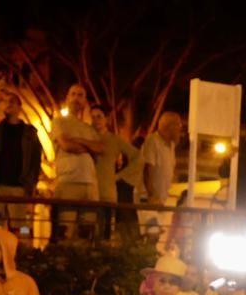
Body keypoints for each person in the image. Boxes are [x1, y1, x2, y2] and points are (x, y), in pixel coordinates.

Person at [0, 80, 43, 237]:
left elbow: (36, 160)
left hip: (18, 188)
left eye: (13, 102)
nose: (8, 104)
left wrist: (31, 184)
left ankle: (17, 256)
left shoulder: (29, 132)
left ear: (20, 108)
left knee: (19, 229)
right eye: (6, 102)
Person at [51, 84, 101, 242]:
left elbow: (99, 148)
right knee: (65, 233)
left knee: (86, 235)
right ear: (67, 98)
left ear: (85, 101)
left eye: (80, 95)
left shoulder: (89, 128)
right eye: (73, 94)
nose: (76, 98)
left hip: (90, 185)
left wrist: (78, 141)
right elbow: (66, 145)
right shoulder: (59, 122)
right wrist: (88, 146)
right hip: (68, 183)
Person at [89, 105, 138, 243]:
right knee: (86, 233)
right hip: (88, 192)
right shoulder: (87, 136)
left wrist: (120, 175)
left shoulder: (114, 140)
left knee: (103, 235)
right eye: (92, 117)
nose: (95, 120)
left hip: (106, 192)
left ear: (107, 119)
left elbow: (137, 157)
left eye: (99, 116)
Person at [138, 112, 183, 239]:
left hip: (160, 200)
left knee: (155, 236)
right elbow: (147, 169)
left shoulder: (171, 145)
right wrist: (152, 195)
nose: (181, 129)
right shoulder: (153, 141)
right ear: (170, 127)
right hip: (148, 199)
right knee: (152, 235)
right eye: (179, 125)